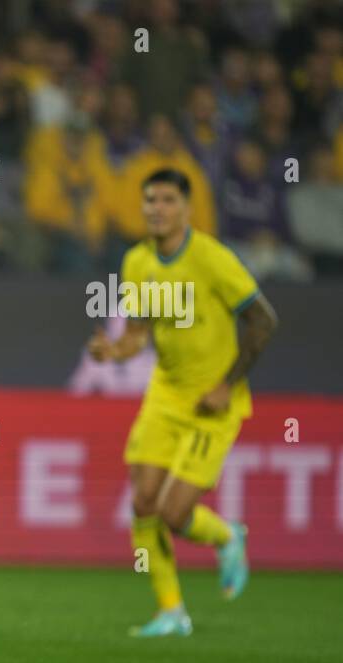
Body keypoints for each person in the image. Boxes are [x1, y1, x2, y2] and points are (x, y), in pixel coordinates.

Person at [87, 168, 278, 637]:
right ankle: (171, 610)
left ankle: (228, 535)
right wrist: (114, 351)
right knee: (143, 501)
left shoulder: (212, 258)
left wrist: (227, 384)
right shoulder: (136, 262)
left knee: (174, 513)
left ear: (187, 209)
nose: (156, 208)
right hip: (166, 393)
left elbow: (263, 320)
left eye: (167, 200)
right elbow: (137, 334)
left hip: (214, 402)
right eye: (150, 200)